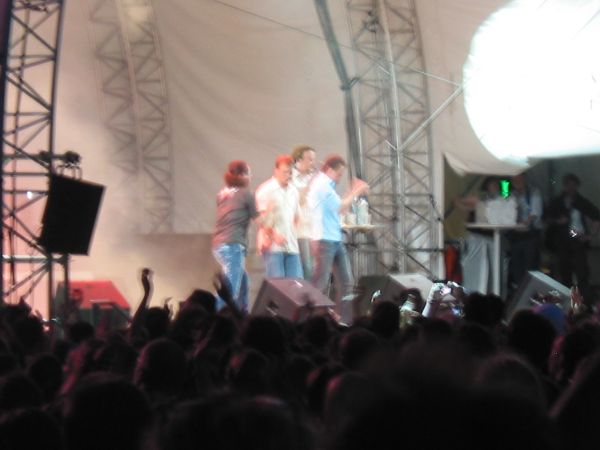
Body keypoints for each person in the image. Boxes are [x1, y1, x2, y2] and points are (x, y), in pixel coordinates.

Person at [308, 154, 369, 320]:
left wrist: (352, 190)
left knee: (347, 281)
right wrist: (356, 191)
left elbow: (340, 207)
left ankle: (343, 319)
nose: (340, 177)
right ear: (329, 169)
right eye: (339, 173)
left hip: (334, 238)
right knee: (320, 282)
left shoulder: (327, 185)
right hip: (324, 239)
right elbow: (340, 206)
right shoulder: (321, 185)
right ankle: (310, 318)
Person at [544, 173, 600, 303]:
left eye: (573, 185)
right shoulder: (557, 202)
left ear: (577, 186)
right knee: (564, 272)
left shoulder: (581, 202)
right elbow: (546, 219)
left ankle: (583, 301)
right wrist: (558, 221)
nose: (571, 188)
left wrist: (589, 236)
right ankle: (567, 300)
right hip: (561, 241)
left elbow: (596, 216)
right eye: (568, 185)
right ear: (565, 186)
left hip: (576, 238)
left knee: (581, 272)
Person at [212, 160, 258, 313]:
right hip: (233, 244)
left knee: (243, 283)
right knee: (229, 290)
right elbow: (258, 219)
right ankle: (215, 317)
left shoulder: (222, 194)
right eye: (249, 174)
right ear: (242, 175)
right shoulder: (246, 194)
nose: (250, 177)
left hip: (219, 244)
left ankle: (242, 314)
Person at [255, 155, 303, 278]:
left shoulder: (293, 191)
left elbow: (297, 216)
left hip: (291, 245)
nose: (288, 175)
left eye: (290, 172)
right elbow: (261, 220)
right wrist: (273, 235)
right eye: (285, 172)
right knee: (278, 284)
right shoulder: (266, 190)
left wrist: (293, 233)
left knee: (295, 284)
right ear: (276, 171)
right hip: (273, 247)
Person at [507, 173, 543, 292]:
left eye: (519, 178)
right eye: (514, 179)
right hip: (515, 235)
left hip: (530, 234)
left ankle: (531, 292)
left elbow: (536, 213)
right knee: (516, 265)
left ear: (524, 178)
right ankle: (518, 291)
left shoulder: (534, 192)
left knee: (530, 265)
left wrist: (524, 222)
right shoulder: (510, 194)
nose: (516, 181)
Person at [291, 144, 317, 280]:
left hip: (313, 229)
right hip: (299, 231)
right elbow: (297, 202)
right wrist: (309, 187)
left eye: (313, 159)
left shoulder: (312, 177)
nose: (313, 163)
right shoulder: (290, 178)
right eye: (310, 159)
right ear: (299, 160)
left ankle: (310, 291)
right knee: (305, 267)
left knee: (313, 268)